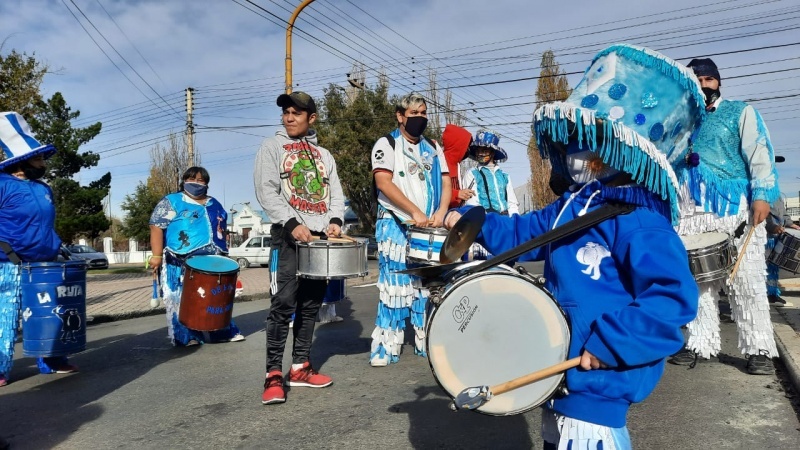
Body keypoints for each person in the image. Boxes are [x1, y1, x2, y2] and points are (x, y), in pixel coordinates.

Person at [446, 45, 700, 448]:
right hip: (560, 372)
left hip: (598, 380)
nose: (573, 153)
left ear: (622, 149)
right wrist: (473, 222)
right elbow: (523, 234)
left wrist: (609, 343)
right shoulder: (571, 206)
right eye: (573, 142)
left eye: (589, 141)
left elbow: (672, 302)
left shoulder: (641, 222)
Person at [670, 57, 781, 375]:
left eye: (709, 80)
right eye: (697, 80)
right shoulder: (679, 122)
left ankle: (759, 349)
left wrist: (762, 196)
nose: (704, 85)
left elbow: (760, 154)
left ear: (718, 82)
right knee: (697, 284)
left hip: (734, 209)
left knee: (746, 281)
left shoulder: (741, 112)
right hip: (689, 213)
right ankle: (699, 344)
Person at [254, 91, 345, 404]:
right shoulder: (271, 146)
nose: (289, 118)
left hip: (319, 240)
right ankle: (273, 375)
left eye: (296, 113)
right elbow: (267, 191)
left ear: (312, 118)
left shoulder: (325, 155)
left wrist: (334, 221)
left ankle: (301, 367)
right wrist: (292, 224)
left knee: (310, 305)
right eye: (286, 113)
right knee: (283, 304)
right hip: (287, 236)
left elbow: (337, 195)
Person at [369, 92, 451, 367]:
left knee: (424, 285)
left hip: (428, 226)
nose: (420, 118)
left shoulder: (433, 147)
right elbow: (384, 182)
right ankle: (386, 346)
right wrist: (413, 211)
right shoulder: (387, 143)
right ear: (400, 116)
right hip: (394, 223)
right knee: (394, 285)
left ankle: (423, 338)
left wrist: (440, 212)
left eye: (424, 113)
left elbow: (446, 182)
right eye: (414, 114)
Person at [0, 111, 78, 387]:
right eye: (38, 158)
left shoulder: (43, 188)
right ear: (20, 161)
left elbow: (45, 223)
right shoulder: (2, 184)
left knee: (49, 312)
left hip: (44, 264)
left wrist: (59, 245)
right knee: (4, 315)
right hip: (8, 265)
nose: (43, 162)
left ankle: (52, 359)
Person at [149, 166, 245, 347]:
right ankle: (185, 335)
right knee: (179, 298)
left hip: (212, 261)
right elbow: (156, 226)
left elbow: (222, 230)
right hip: (178, 260)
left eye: (201, 180)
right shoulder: (172, 201)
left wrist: (225, 254)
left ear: (207, 184)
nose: (196, 183)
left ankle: (220, 330)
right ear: (184, 181)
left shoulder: (214, 203)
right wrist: (156, 255)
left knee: (215, 297)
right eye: (192, 179)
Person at [462, 129, 519, 216]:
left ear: (492, 153)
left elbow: (512, 203)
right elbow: (472, 203)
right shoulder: (472, 174)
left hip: (505, 220)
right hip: (485, 221)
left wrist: (514, 221)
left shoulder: (504, 176)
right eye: (478, 151)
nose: (481, 154)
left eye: (484, 150)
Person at [765, 198, 799, 307]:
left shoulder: (776, 193)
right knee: (763, 268)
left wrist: (790, 224)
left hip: (776, 236)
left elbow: (783, 213)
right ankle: (764, 295)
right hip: (765, 237)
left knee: (773, 267)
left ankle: (772, 294)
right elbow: (760, 214)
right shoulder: (759, 191)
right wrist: (772, 227)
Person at [441, 124, 474, 209]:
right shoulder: (441, 162)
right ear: (458, 145)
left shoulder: (456, 164)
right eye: (466, 145)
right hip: (441, 215)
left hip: (453, 211)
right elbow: (435, 191)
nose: (467, 149)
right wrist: (457, 194)